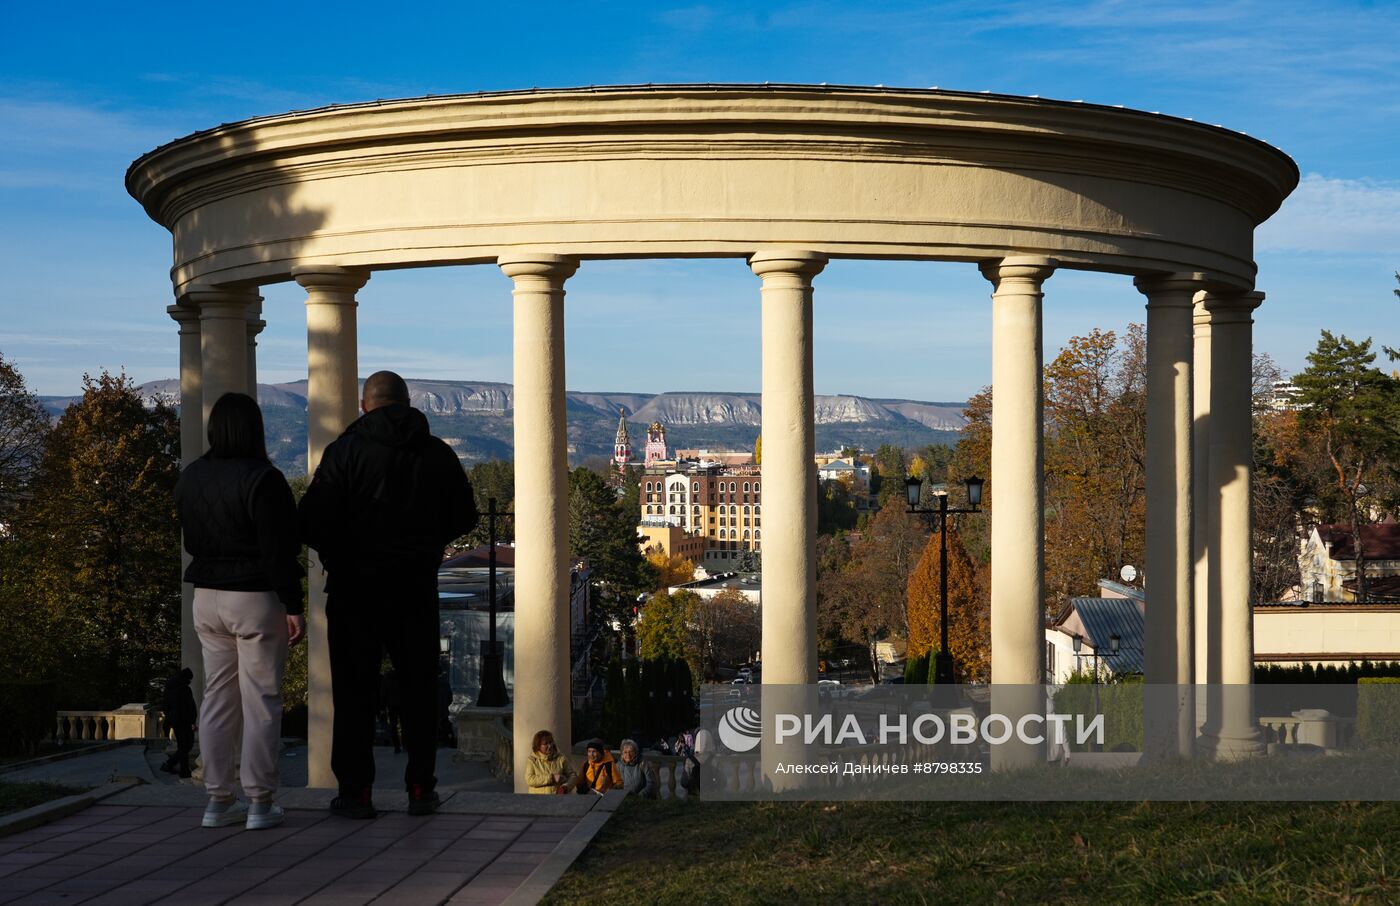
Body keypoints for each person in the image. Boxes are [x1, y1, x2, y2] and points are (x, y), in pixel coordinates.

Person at [299, 371, 478, 818]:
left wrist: (341, 551)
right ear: (408, 403)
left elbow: (311, 519)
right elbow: (465, 515)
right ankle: (420, 788)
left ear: (365, 406)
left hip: (353, 589)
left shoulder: (343, 453)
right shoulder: (436, 453)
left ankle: (356, 791)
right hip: (414, 586)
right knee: (418, 689)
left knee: (354, 691)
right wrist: (427, 543)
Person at [174, 392, 304, 830]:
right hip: (253, 596)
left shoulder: (190, 477)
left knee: (217, 698)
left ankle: (216, 800)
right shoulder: (263, 479)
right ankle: (260, 802)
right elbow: (280, 550)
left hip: (205, 596)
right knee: (262, 701)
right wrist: (293, 604)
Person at [159, 668, 197, 778]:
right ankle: (179, 768)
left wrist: (170, 718)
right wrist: (192, 721)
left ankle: (179, 768)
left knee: (183, 746)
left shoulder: (169, 689)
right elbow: (189, 707)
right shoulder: (184, 689)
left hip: (176, 722)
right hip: (185, 722)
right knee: (187, 746)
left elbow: (165, 706)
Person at [525, 730, 575, 794]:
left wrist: (565, 787)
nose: (550, 746)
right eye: (545, 744)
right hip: (537, 800)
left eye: (551, 742)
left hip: (557, 800)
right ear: (538, 745)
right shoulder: (532, 759)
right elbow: (529, 779)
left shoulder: (560, 758)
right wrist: (551, 778)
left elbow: (572, 775)